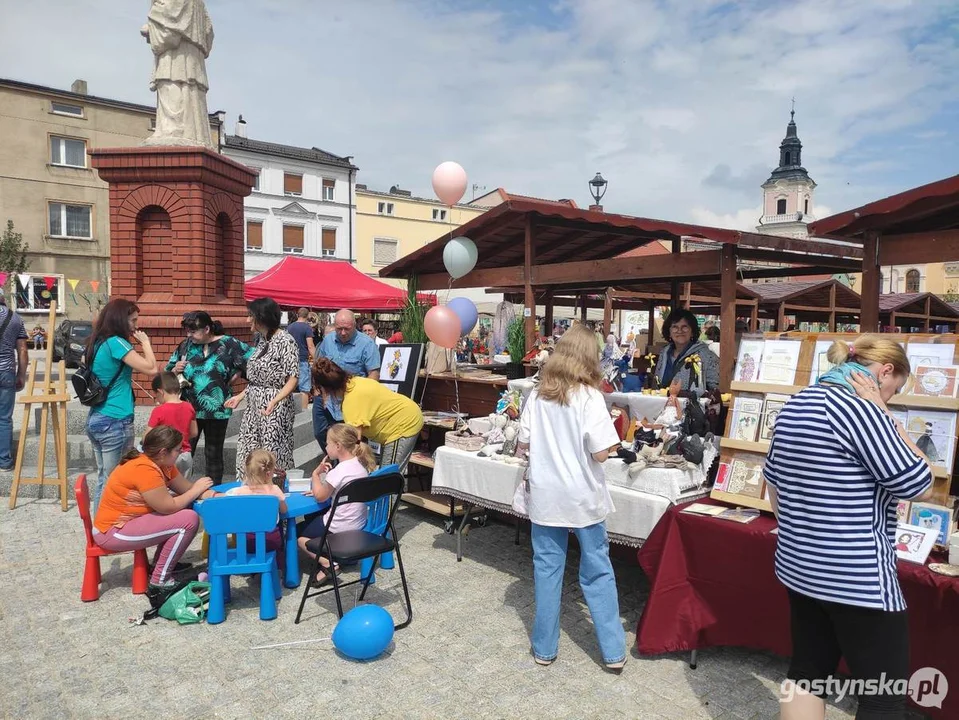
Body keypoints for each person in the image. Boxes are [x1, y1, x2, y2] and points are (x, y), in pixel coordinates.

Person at [764, 336, 935, 719]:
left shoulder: (798, 403)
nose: (891, 396)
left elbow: (773, 483)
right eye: (895, 388)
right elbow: (919, 483)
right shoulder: (863, 410)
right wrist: (888, 418)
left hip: (800, 567)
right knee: (883, 693)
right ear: (884, 371)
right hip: (858, 577)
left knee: (808, 674)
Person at [516, 323, 626, 671]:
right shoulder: (590, 397)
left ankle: (544, 647)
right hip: (583, 496)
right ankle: (612, 650)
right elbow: (601, 454)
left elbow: (523, 446)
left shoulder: (538, 394)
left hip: (547, 495)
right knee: (597, 570)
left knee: (547, 571)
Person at [93, 426, 213, 590]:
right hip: (112, 532)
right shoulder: (144, 469)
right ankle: (160, 580)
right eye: (178, 450)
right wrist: (196, 490)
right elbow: (168, 507)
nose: (181, 452)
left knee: (187, 507)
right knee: (188, 520)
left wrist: (215, 496)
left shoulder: (162, 463)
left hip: (128, 524)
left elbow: (186, 489)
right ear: (164, 452)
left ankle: (159, 563)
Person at [86, 299, 158, 509]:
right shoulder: (116, 343)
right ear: (120, 319)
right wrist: (145, 343)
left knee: (104, 478)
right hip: (115, 419)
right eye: (133, 320)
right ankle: (105, 531)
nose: (135, 325)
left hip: (98, 417)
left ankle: (99, 529)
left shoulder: (97, 341)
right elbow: (151, 368)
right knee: (114, 481)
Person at [166, 311, 252, 483]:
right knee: (183, 451)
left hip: (218, 409)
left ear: (206, 328)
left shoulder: (228, 343)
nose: (189, 335)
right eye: (187, 332)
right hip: (189, 409)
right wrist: (175, 369)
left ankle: (213, 493)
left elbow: (255, 362)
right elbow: (167, 373)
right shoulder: (185, 346)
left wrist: (238, 373)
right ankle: (179, 489)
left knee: (213, 453)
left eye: (193, 331)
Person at [226, 298, 299, 480]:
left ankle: (273, 490)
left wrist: (275, 401)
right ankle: (249, 487)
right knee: (248, 447)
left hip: (275, 405)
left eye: (251, 316)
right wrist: (240, 396)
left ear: (262, 317)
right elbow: (257, 379)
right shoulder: (261, 339)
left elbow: (293, 378)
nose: (247, 320)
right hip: (254, 404)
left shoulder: (285, 340)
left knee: (271, 450)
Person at [312, 358, 424, 473]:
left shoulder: (352, 401)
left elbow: (352, 446)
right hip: (401, 417)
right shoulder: (355, 381)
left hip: (403, 423)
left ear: (326, 388)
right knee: (389, 473)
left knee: (388, 476)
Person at [297, 423, 376, 586]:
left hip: (338, 525)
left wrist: (315, 475)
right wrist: (327, 487)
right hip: (357, 522)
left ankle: (328, 563)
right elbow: (336, 490)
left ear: (338, 446)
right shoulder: (360, 465)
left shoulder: (338, 471)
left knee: (296, 535)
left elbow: (320, 497)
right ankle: (335, 554)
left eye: (327, 443)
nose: (326, 447)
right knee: (311, 517)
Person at [314, 309, 380, 452]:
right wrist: (319, 391)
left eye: (347, 329)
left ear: (355, 325)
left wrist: (364, 401)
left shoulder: (367, 344)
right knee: (320, 433)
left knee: (347, 440)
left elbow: (373, 375)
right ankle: (333, 462)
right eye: (339, 329)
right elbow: (318, 366)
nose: (343, 333)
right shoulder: (328, 340)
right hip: (327, 396)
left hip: (351, 399)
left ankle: (345, 466)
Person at [219, 449, 288, 571]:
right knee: (280, 534)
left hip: (246, 542)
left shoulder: (239, 492)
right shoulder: (275, 490)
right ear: (269, 473)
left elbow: (228, 509)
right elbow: (284, 511)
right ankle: (280, 569)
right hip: (271, 541)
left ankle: (255, 572)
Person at [653, 308, 719, 394]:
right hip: (663, 405)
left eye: (685, 327)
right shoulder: (664, 354)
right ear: (669, 332)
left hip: (690, 406)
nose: (680, 331)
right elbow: (657, 382)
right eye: (675, 327)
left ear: (692, 331)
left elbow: (715, 388)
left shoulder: (706, 355)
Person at [148, 372, 198, 480]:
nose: (156, 398)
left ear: (160, 392)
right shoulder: (189, 407)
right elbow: (194, 432)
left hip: (166, 456)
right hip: (185, 455)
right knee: (185, 488)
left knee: (167, 490)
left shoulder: (158, 411)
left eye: (156, 395)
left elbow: (146, 437)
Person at [0, 298, 27, 471]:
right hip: (6, 372)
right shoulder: (15, 317)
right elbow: (23, 349)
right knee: (4, 418)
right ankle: (4, 461)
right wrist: (21, 376)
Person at [287, 307, 317, 406]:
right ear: (308, 316)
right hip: (302, 360)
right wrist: (317, 359)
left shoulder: (289, 327)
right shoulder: (307, 328)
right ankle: (304, 414)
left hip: (290, 360)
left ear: (297, 314)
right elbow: (310, 346)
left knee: (290, 387)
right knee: (304, 388)